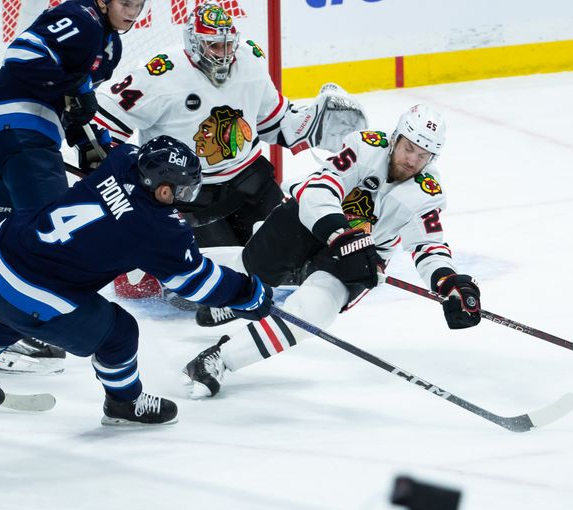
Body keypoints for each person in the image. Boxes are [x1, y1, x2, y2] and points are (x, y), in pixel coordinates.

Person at [181, 105, 482, 399]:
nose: (412, 160)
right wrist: (339, 234)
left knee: (310, 314)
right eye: (408, 148)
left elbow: (428, 244)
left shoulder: (427, 192)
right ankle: (236, 298)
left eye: (423, 155)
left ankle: (220, 358)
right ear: (395, 138)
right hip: (313, 219)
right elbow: (320, 189)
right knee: (252, 267)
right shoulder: (365, 147)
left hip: (362, 255)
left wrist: (449, 282)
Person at [0, 136, 272, 424]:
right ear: (164, 191)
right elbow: (196, 282)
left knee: (10, 309)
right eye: (183, 191)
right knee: (119, 333)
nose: (185, 198)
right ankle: (124, 403)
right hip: (29, 294)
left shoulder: (123, 158)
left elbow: (115, 154)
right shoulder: (156, 229)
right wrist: (246, 294)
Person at [90, 1, 367, 299]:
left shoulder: (250, 59)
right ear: (194, 44)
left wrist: (309, 127)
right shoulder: (161, 74)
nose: (223, 54)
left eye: (227, 45)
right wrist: (123, 183)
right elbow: (102, 122)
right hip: (188, 197)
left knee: (293, 260)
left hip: (248, 183)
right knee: (205, 287)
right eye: (213, 46)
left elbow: (271, 120)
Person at [0, 0, 146, 374]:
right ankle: (17, 328)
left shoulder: (109, 44)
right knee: (48, 239)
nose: (134, 11)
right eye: (126, 2)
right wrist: (75, 88)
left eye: (139, 4)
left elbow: (69, 104)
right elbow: (22, 54)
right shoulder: (81, 18)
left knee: (11, 234)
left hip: (11, 129)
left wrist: (88, 143)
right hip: (20, 129)